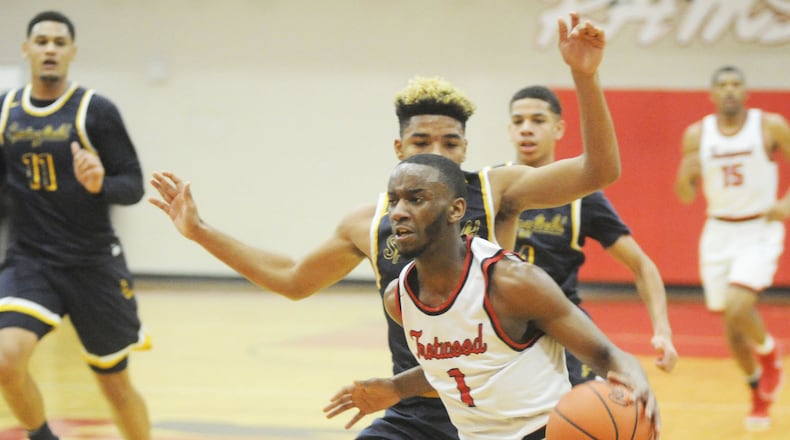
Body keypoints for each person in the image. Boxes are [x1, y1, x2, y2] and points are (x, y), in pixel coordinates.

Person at [151, 12, 618, 440]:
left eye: (450, 142)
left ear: (465, 148)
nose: (435, 150)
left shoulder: (497, 191)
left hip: (501, 408)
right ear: (398, 148)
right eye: (421, 141)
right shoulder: (370, 222)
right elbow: (292, 279)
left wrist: (584, 75)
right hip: (421, 408)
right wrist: (200, 231)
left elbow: (598, 171)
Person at [323, 154, 660, 440]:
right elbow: (459, 365)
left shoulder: (512, 282)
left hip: (545, 431)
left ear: (456, 210)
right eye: (393, 200)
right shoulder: (400, 298)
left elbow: (606, 354)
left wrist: (637, 380)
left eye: (416, 199)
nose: (397, 211)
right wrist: (396, 388)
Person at [0, 11, 150, 440]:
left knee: (115, 385)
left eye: (59, 43)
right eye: (42, 41)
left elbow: (133, 185)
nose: (50, 49)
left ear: (72, 52)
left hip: (92, 263)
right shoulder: (6, 112)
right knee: (6, 359)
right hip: (30, 261)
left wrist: (101, 183)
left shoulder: (95, 111)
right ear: (27, 49)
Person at [503, 85, 678, 385]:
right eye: (518, 122)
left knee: (598, 414)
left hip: (561, 323)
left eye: (538, 120)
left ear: (559, 129)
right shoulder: (491, 186)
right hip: (504, 324)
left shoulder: (581, 195)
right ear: (509, 129)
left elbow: (642, 266)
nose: (527, 130)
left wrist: (663, 331)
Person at [674, 64, 790, 430]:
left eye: (735, 84)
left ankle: (771, 355)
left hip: (759, 227)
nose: (729, 90)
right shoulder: (696, 134)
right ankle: (757, 391)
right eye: (722, 85)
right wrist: (683, 175)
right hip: (718, 230)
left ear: (745, 91)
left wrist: (786, 202)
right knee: (732, 325)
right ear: (711, 94)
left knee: (740, 304)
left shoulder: (769, 125)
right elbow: (685, 194)